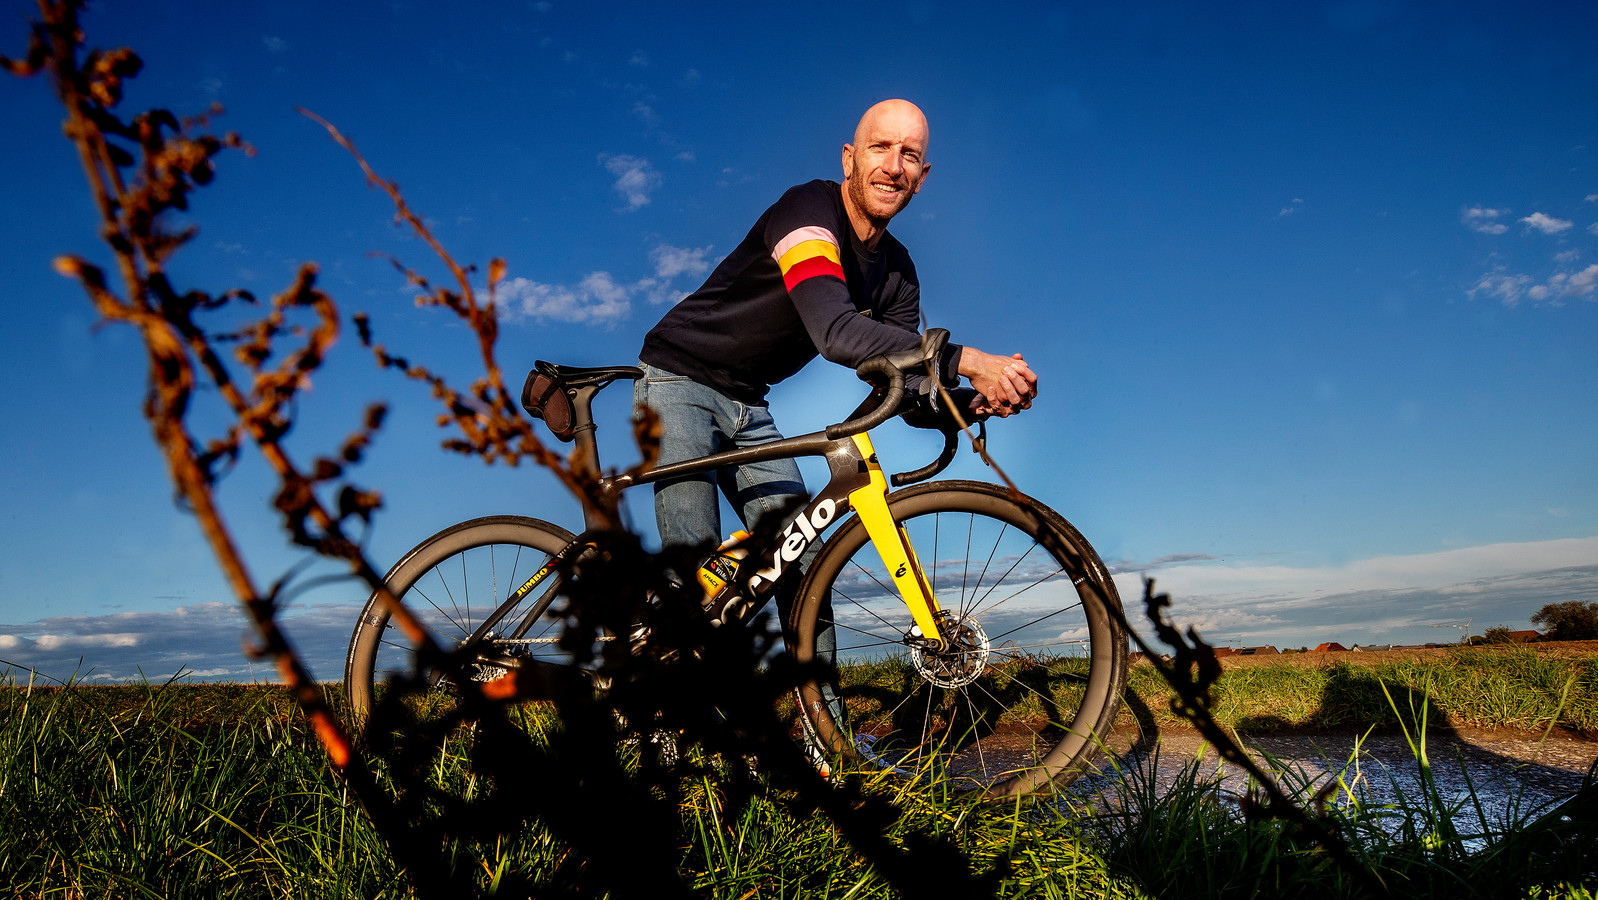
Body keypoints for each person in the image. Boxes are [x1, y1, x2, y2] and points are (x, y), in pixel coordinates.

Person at [635, 99, 1038, 579]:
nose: (893, 166)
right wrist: (968, 359)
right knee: (695, 570)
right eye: (880, 147)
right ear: (849, 159)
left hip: (750, 403)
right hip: (677, 379)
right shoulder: (807, 211)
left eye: (908, 155)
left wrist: (964, 404)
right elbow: (835, 332)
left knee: (805, 568)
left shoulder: (899, 274)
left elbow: (903, 384)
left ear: (922, 176)